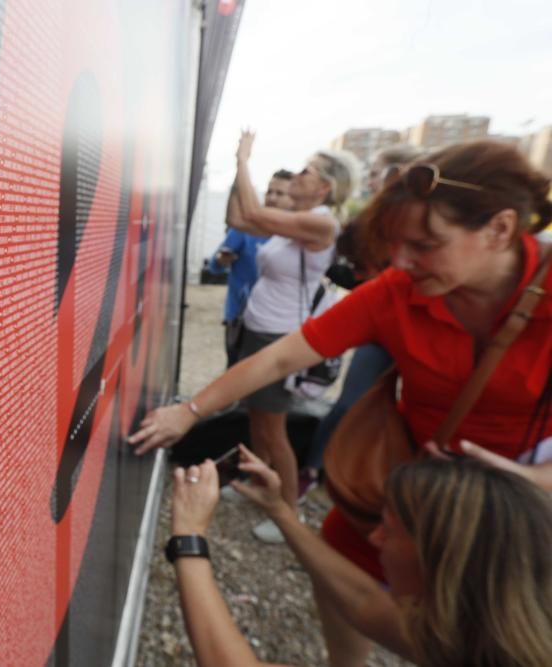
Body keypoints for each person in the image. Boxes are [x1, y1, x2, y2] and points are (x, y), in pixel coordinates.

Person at [131, 140, 552, 667]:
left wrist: (529, 482)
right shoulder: (399, 290)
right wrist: (190, 411)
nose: (402, 262)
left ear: (500, 229)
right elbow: (280, 359)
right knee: (345, 562)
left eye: (426, 244)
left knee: (483, 628)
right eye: (398, 245)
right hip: (410, 480)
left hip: (514, 504)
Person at [169, 448, 552, 667]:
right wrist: (280, 510)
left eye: (391, 528)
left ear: (442, 562)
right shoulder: (484, 628)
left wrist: (189, 535)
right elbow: (365, 601)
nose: (374, 537)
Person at [214, 130, 358, 543]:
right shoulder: (294, 223)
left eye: (307, 171)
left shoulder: (320, 224)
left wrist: (243, 160)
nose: (297, 175)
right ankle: (261, 485)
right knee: (258, 422)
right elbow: (239, 220)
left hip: (278, 338)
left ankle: (289, 514)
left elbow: (255, 216)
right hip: (258, 330)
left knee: (274, 431)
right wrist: (233, 177)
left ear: (325, 187)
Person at [302, 145, 423, 487]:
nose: (370, 180)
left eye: (377, 172)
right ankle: (314, 471)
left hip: (419, 329)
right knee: (351, 403)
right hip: (384, 332)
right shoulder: (370, 224)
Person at [211, 170, 294, 366]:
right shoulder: (245, 228)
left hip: (279, 323)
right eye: (269, 192)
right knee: (236, 376)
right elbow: (215, 266)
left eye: (280, 193)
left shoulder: (298, 234)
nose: (272, 198)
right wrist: (223, 260)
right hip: (242, 320)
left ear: (294, 199)